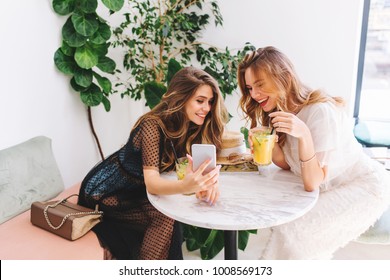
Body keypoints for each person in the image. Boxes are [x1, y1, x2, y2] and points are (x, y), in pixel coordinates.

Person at [237, 46, 390, 259]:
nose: (254, 94)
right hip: (327, 186)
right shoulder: (278, 110)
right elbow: (288, 165)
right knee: (280, 217)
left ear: (284, 77)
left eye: (260, 85)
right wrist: (270, 146)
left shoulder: (319, 112)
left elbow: (312, 181)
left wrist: (304, 134)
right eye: (250, 87)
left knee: (294, 229)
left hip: (365, 186)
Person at [78, 67, 229, 260]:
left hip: (136, 190)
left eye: (209, 102)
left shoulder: (189, 126)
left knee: (170, 215)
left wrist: (202, 185)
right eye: (200, 101)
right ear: (180, 98)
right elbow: (152, 182)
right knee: (165, 217)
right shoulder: (152, 126)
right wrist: (185, 186)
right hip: (108, 192)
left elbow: (185, 173)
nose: (206, 108)